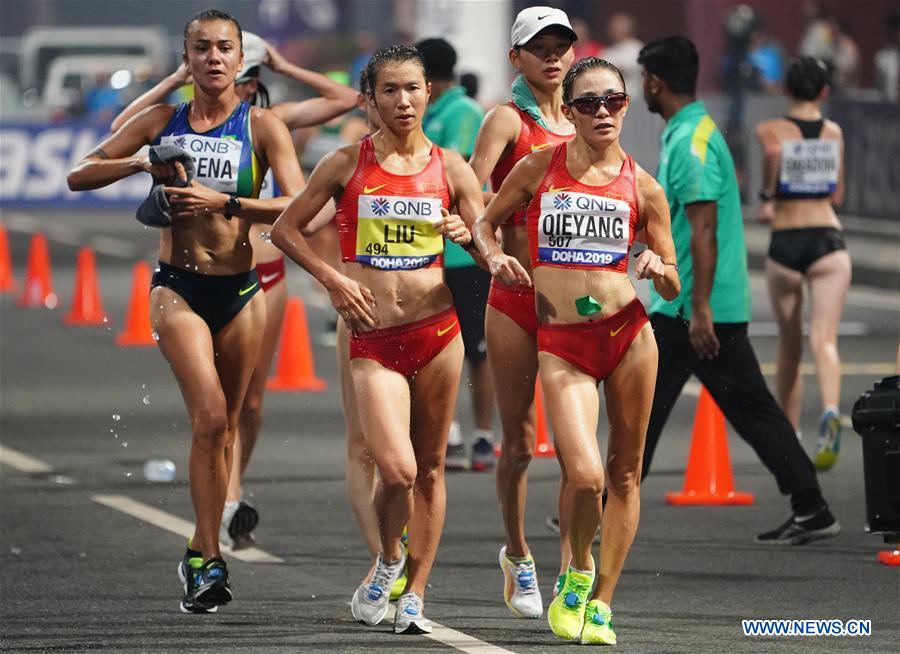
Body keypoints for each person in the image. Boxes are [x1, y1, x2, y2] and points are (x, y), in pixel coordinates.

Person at [67, 10, 305, 612]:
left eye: (226, 48)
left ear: (240, 57)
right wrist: (141, 164)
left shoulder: (265, 126)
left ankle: (199, 548)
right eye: (202, 48)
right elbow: (79, 174)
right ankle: (210, 561)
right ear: (187, 58)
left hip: (243, 291)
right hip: (177, 287)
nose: (215, 58)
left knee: (228, 423)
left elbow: (300, 206)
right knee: (207, 417)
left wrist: (224, 201)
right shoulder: (159, 121)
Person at [111, 31, 359, 549]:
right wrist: (176, 79)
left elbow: (345, 101)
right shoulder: (177, 122)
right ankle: (226, 502)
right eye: (207, 59)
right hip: (189, 276)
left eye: (244, 75)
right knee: (214, 409)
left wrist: (285, 65)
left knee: (248, 404)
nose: (233, 84)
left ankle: (229, 491)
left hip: (261, 272)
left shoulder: (271, 122)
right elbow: (118, 131)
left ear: (251, 77)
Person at [271, 45, 484, 635]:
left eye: (412, 88)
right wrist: (334, 282)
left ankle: (415, 592)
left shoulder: (453, 167)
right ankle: (389, 559)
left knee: (433, 468)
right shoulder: (343, 164)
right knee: (396, 471)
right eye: (389, 90)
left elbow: (486, 242)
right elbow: (287, 230)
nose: (403, 100)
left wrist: (470, 234)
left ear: (428, 93)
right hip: (373, 337)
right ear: (369, 98)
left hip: (439, 331)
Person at [475, 57, 679, 645]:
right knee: (586, 476)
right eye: (587, 103)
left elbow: (672, 282)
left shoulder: (644, 186)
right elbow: (485, 223)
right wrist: (493, 257)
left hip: (628, 337)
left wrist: (655, 266)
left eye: (612, 101)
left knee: (625, 474)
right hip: (561, 343)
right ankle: (578, 569)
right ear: (569, 111)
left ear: (626, 105)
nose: (602, 112)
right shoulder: (540, 167)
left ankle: (602, 605)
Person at [637, 36, 841, 545]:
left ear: (655, 83)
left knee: (639, 409)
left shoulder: (692, 142)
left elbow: (704, 228)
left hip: (691, 308)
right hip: (702, 303)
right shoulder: (688, 131)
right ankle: (811, 505)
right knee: (754, 412)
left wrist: (700, 309)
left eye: (642, 80)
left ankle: (600, 507)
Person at [468, 5, 576, 619]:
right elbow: (471, 189)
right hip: (515, 296)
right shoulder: (507, 119)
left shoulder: (586, 120)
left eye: (562, 45)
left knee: (574, 445)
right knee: (520, 443)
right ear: (517, 58)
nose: (553, 57)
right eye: (540, 47)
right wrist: (502, 226)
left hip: (574, 302)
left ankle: (571, 567)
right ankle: (517, 554)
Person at [755, 56, 850, 470]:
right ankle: (830, 411)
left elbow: (767, 189)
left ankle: (789, 433)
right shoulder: (834, 133)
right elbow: (838, 195)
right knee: (824, 340)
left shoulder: (769, 131)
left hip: (787, 243)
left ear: (787, 90)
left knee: (789, 344)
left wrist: (768, 196)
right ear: (825, 92)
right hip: (829, 239)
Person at [416, 37, 494, 471]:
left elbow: (462, 173)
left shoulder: (463, 112)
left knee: (477, 349)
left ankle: (482, 434)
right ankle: (450, 432)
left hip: (464, 255)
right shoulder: (425, 113)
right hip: (427, 253)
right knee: (436, 346)